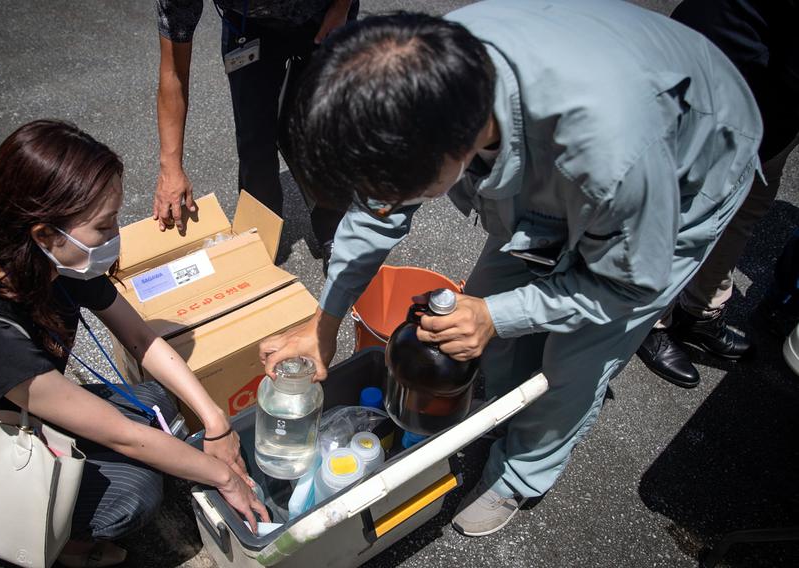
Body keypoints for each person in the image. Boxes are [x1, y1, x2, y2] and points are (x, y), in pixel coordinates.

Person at [259, 1, 762, 537]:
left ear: (456, 149)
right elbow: (375, 217)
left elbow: (629, 284)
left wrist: (498, 315)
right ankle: (494, 402)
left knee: (576, 359)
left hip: (687, 159)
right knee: (482, 317)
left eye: (392, 195)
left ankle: (522, 472)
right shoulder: (422, 72)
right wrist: (324, 325)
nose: (383, 207)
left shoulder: (610, 156)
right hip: (578, 151)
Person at [0, 120, 268, 567]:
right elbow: (125, 438)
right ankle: (63, 548)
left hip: (34, 411)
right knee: (134, 490)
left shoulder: (53, 264)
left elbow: (139, 337)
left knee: (158, 401)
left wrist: (217, 423)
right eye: (104, 226)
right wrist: (225, 477)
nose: (116, 236)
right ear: (44, 234)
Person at [636, 0, 799, 388]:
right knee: (685, 207)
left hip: (772, 102)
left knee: (747, 207)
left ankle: (700, 311)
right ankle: (648, 318)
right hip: (723, 73)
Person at [154, 0, 357, 273]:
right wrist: (170, 167)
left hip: (322, 15)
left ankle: (334, 229)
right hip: (247, 26)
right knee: (254, 140)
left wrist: (341, 7)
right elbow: (174, 72)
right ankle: (260, 232)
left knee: (323, 130)